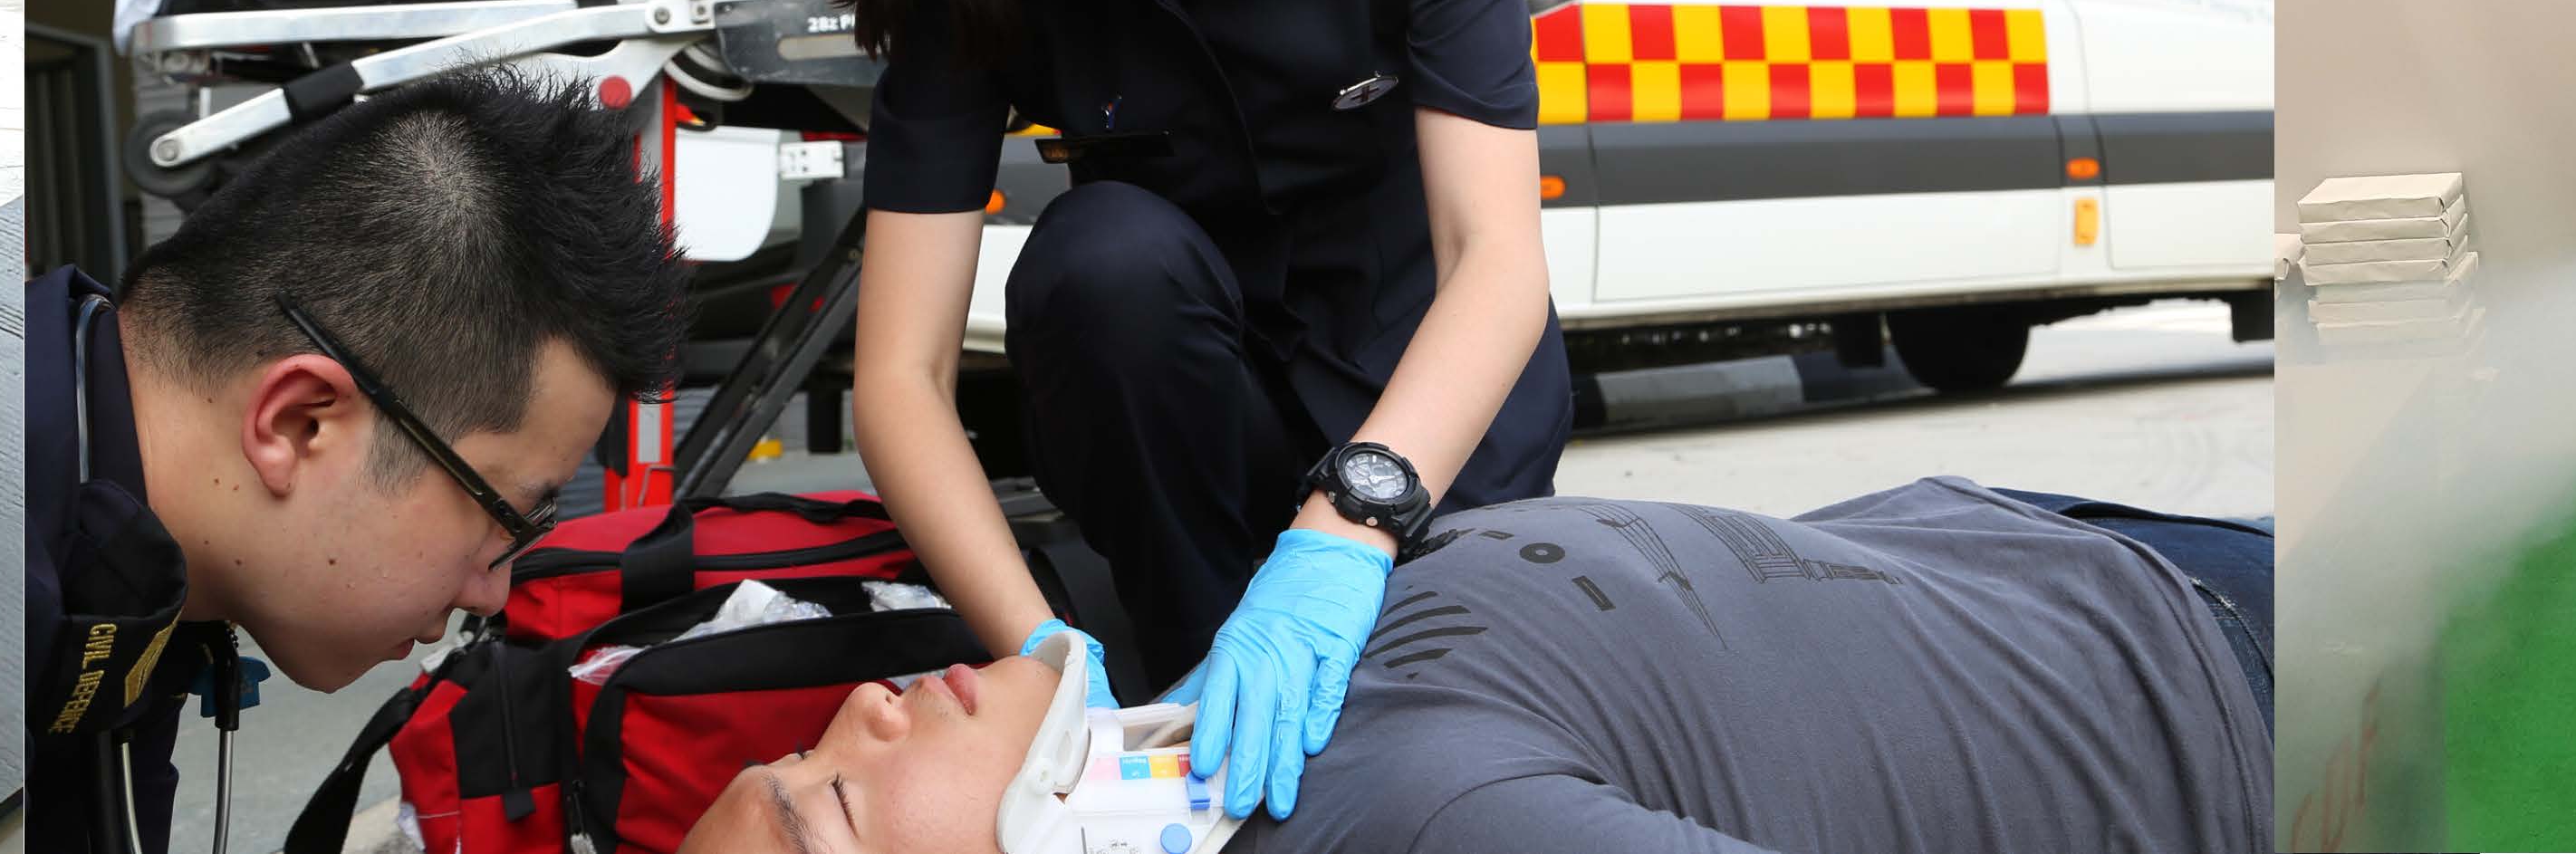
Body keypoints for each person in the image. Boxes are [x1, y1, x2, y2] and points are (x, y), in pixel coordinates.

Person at [816, 0, 1582, 822]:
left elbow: (1496, 260)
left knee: (1441, 765)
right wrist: (1046, 655)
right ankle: (1180, 691)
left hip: (1426, 427)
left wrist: (1348, 526)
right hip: (1187, 445)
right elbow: (900, 375)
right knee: (1097, 256)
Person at [673, 479, 2276, 854]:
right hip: (2230, 699)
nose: (854, 709)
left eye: (799, 743)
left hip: (2041, 555)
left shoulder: (1238, 725)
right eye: (831, 811)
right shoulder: (1384, 827)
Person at [28, 76, 689, 854]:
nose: (492, 590)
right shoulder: (5, 601)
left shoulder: (125, 551)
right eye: (505, 517)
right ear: (299, 422)